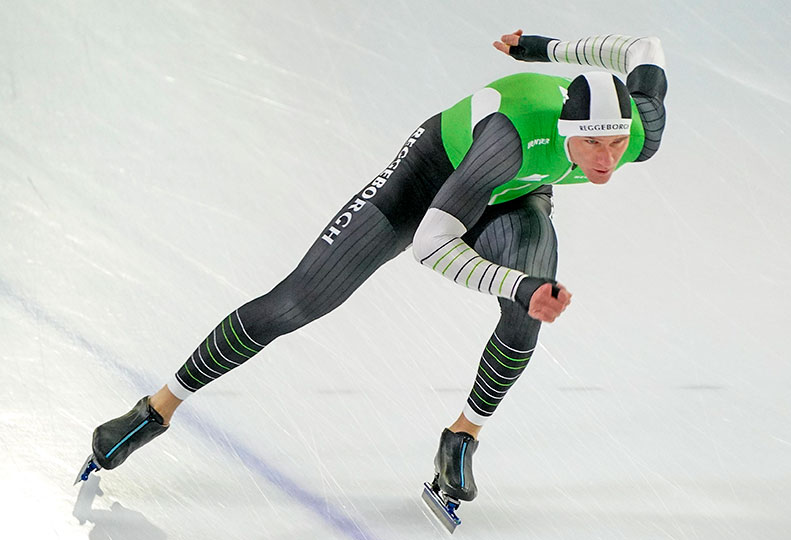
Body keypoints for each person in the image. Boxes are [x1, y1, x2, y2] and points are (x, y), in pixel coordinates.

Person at [83, 29, 668, 507]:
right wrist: (518, 283)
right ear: (566, 129)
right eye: (592, 145)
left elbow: (643, 49)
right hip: (432, 179)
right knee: (296, 302)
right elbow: (432, 245)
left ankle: (461, 439)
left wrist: (544, 48)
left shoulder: (638, 133)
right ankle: (156, 409)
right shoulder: (507, 140)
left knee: (526, 320)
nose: (606, 159)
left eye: (616, 143)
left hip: (517, 191)